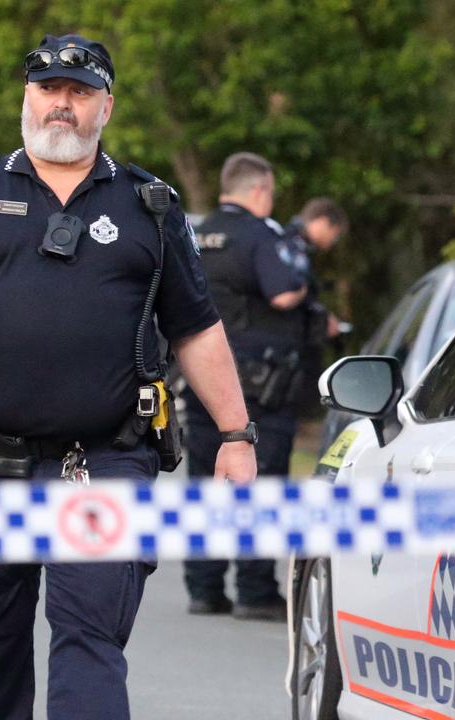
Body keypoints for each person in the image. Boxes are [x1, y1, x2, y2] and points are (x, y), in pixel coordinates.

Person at [0, 34, 258, 720]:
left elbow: (197, 329)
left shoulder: (151, 206)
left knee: (90, 640)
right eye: (49, 89)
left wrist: (235, 432)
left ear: (105, 108)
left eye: (80, 94)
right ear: (26, 98)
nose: (63, 105)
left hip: (105, 462)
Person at [182, 152, 307, 621]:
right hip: (256, 385)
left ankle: (204, 587)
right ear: (258, 191)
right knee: (262, 482)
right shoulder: (259, 235)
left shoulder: (192, 233)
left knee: (204, 483)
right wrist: (304, 288)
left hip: (197, 379)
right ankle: (255, 590)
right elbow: (282, 292)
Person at [280, 197, 349, 415]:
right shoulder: (291, 245)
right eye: (335, 233)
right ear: (322, 222)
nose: (333, 241)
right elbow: (292, 291)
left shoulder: (296, 244)